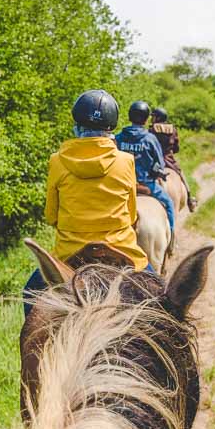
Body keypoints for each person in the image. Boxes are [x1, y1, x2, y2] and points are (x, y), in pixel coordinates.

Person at [25, 89, 149, 315]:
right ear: (111, 128)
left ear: (76, 125)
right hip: (121, 251)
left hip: (70, 256)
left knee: (29, 294)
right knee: (158, 292)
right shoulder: (125, 161)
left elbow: (51, 216)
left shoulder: (57, 161)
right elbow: (131, 215)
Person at [116, 100, 176, 234]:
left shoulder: (118, 138)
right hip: (147, 185)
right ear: (145, 119)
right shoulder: (150, 139)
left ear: (130, 117)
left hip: (122, 186)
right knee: (170, 204)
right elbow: (160, 164)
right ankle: (171, 237)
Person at [150, 106, 197, 212]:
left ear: (157, 118)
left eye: (153, 117)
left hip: (155, 161)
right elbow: (176, 148)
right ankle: (190, 199)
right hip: (169, 160)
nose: (152, 119)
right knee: (181, 174)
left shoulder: (151, 129)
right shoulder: (173, 130)